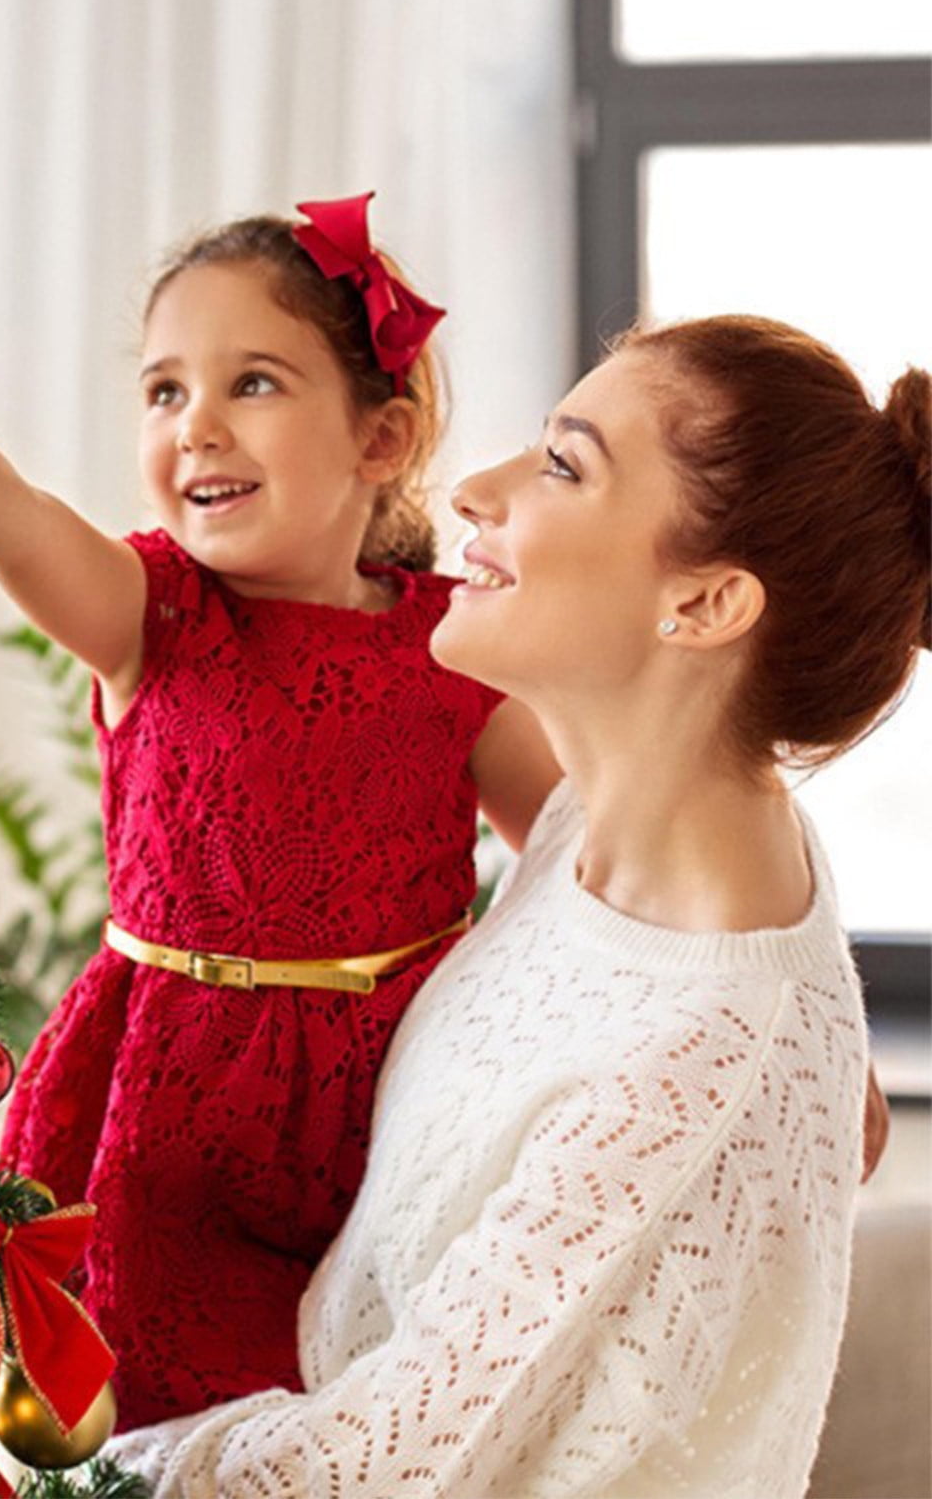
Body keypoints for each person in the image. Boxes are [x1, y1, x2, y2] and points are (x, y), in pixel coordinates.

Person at [0, 193, 562, 1429]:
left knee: (366, 1419)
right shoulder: (148, 612)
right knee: (142, 1424)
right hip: (162, 1119)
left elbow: (585, 866)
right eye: (163, 390)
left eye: (251, 382)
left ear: (382, 436)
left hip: (396, 1111)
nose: (195, 424)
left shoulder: (455, 649)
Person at [104, 317, 927, 1496]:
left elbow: (368, 1469)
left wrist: (54, 1469)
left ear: (705, 603)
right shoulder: (606, 823)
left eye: (561, 466)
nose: (474, 491)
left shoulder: (693, 1059)